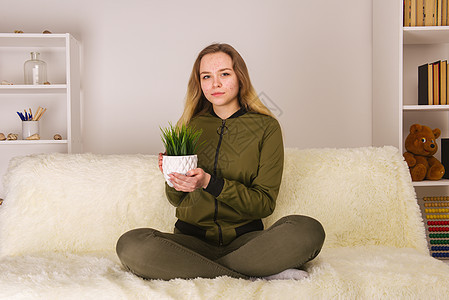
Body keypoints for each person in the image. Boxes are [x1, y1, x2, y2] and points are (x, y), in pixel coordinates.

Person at [116, 43, 325, 281]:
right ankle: (256, 272)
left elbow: (264, 204)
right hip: (190, 242)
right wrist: (173, 179)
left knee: (308, 230)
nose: (215, 84)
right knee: (130, 244)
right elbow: (176, 199)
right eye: (207, 76)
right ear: (200, 83)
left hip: (246, 243)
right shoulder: (189, 125)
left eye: (224, 74)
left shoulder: (266, 127)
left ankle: (203, 270)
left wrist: (210, 183)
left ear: (240, 78)